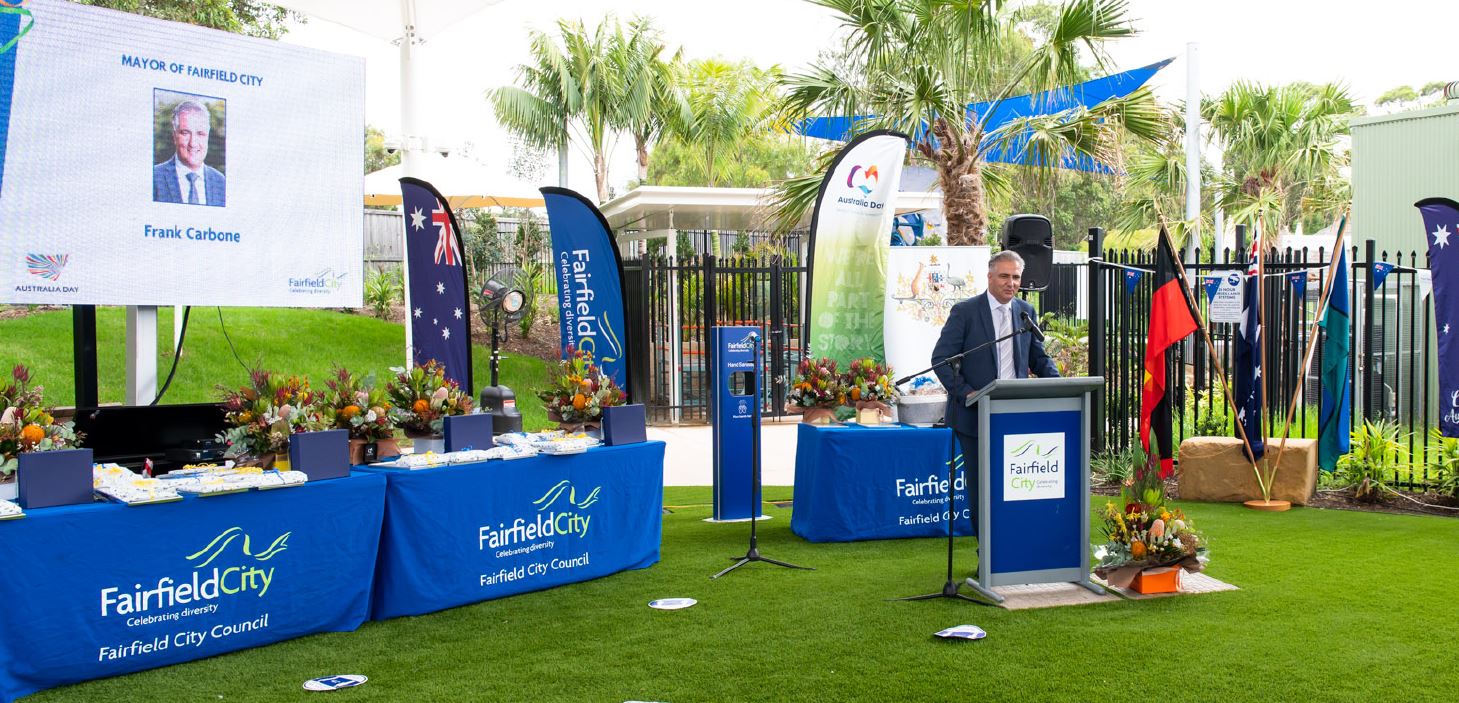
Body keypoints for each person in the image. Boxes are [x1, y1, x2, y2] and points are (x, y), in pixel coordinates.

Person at [930, 250, 1059, 534]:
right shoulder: (965, 312)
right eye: (1004, 276)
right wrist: (968, 393)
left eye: (1015, 277)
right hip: (975, 416)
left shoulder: (1026, 312)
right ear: (989, 277)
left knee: (1015, 486)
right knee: (983, 488)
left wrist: (1059, 384)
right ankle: (986, 556)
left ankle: (1013, 548)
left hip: (1015, 417)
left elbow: (1037, 357)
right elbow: (941, 359)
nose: (1010, 283)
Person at [153, 101, 226, 206]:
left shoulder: (221, 182)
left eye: (200, 134)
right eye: (185, 133)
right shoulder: (154, 177)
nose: (193, 143)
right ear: (174, 136)